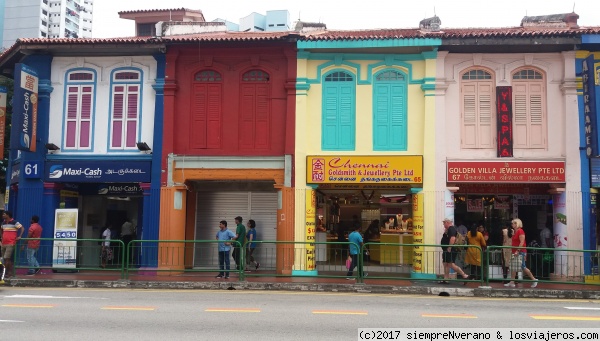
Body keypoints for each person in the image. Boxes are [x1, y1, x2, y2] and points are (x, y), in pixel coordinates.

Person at [504, 218, 538, 288]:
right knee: (513, 267)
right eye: (512, 223)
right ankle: (512, 281)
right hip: (515, 251)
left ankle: (534, 279)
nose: (512, 224)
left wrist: (518, 250)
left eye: (513, 223)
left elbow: (522, 242)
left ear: (517, 224)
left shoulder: (520, 231)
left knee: (523, 266)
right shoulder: (515, 231)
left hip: (520, 251)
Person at [439, 217, 469, 284]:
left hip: (450, 250)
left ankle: (464, 275)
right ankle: (446, 278)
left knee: (451, 264)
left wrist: (449, 247)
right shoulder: (449, 229)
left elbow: (452, 238)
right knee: (445, 263)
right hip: (447, 250)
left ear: (447, 222)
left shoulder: (451, 229)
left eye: (444, 223)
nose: (443, 224)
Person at [1, 211, 24, 278]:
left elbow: (22, 228)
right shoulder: (3, 223)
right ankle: (9, 272)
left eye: (4, 214)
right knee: (5, 259)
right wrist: (2, 237)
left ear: (8, 215)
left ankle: (7, 273)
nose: (3, 215)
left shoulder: (14, 222)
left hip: (11, 243)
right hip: (4, 243)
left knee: (7, 258)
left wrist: (20, 236)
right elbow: (1, 229)